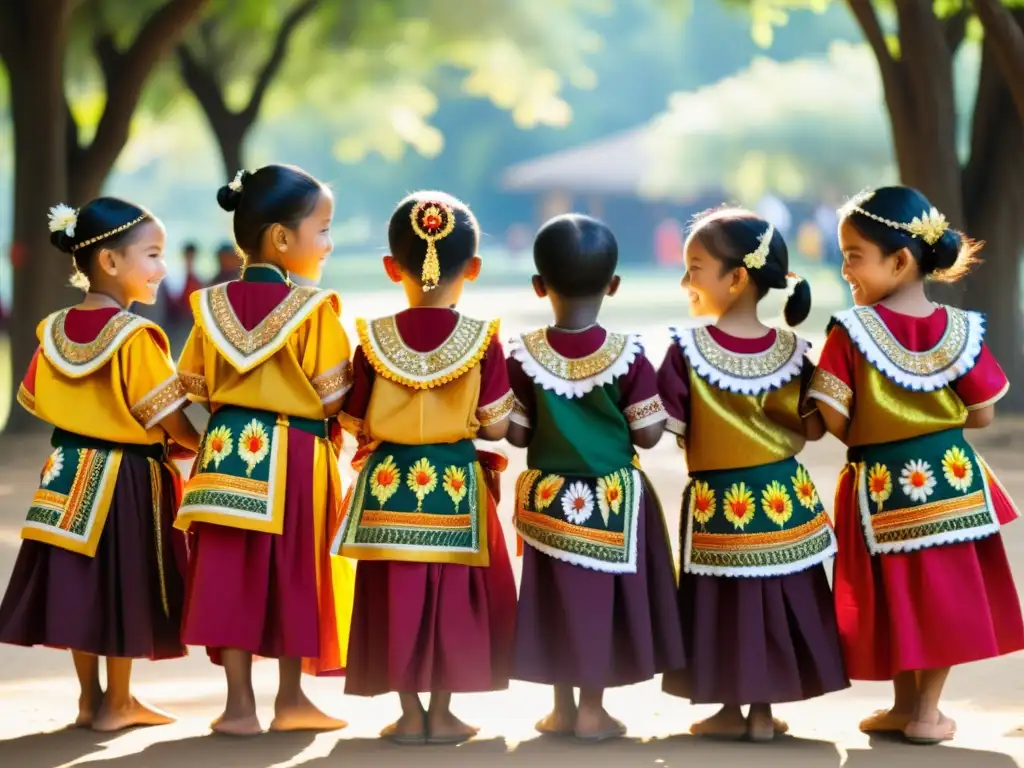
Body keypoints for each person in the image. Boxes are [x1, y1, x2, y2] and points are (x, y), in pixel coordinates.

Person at [804, 186, 1024, 744]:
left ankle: (913, 710)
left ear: (899, 260)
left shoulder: (849, 332)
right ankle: (921, 709)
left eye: (854, 254)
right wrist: (934, 421)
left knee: (895, 592)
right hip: (950, 480)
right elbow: (982, 414)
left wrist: (867, 431)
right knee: (940, 595)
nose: (845, 267)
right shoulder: (961, 330)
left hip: (879, 486)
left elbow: (829, 414)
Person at [0, 197, 201, 731]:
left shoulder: (53, 330)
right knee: (125, 585)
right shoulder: (136, 338)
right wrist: (195, 446)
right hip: (127, 478)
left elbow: (36, 398)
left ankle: (90, 699)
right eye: (152, 254)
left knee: (82, 585)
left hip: (65, 470)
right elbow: (168, 416)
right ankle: (120, 701)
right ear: (110, 262)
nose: (161, 267)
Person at [175, 166, 354, 736]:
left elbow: (196, 386)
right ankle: (291, 700)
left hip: (227, 449)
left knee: (229, 573)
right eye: (322, 230)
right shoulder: (314, 310)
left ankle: (237, 708)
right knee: (293, 574)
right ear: (281, 237)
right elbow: (332, 397)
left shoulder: (209, 307)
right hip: (296, 456)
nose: (328, 244)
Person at [658, 208, 849, 741]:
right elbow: (812, 431)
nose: (685, 280)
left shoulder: (686, 351)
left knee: (726, 603)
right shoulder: (796, 352)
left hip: (720, 503)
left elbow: (663, 425)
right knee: (776, 597)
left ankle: (729, 708)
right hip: (784, 499)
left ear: (736, 277)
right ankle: (764, 712)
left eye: (695, 266)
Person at [333, 191, 517, 745]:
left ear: (392, 267)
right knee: (449, 600)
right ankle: (442, 714)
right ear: (475, 268)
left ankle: (409, 714)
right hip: (455, 487)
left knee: (396, 595)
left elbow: (354, 418)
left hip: (388, 490)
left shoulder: (372, 340)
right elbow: (496, 426)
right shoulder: (483, 340)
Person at [505, 213, 685, 742]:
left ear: (540, 286)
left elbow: (516, 437)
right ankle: (591, 710)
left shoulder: (524, 354)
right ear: (614, 285)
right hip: (610, 499)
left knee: (556, 598)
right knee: (599, 604)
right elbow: (649, 435)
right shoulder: (629, 355)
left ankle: (560, 709)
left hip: (549, 500)